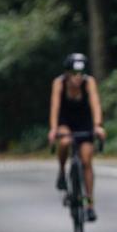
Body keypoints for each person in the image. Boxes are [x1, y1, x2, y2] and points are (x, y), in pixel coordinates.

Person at [48, 53, 106, 221]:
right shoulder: (59, 83)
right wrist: (53, 129)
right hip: (65, 121)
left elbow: (95, 104)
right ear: (67, 73)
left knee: (87, 160)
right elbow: (55, 106)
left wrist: (98, 126)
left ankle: (89, 204)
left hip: (84, 121)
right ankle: (61, 171)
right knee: (65, 141)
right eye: (73, 73)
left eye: (80, 74)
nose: (77, 77)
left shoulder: (89, 82)